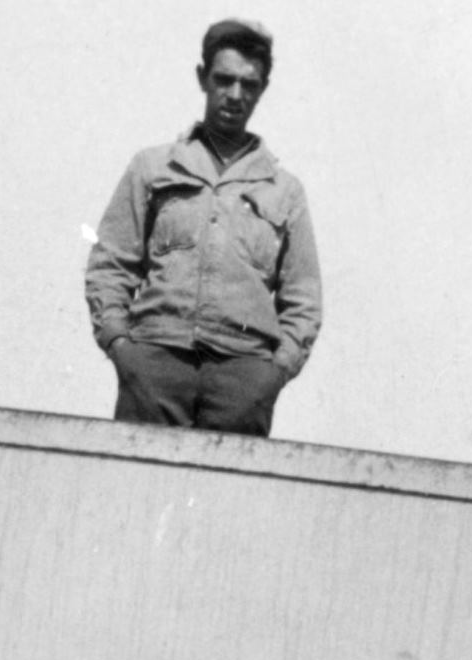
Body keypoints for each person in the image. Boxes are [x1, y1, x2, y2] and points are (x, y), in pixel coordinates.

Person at [84, 20, 322, 439]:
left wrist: (275, 373)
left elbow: (303, 297)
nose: (235, 95)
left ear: (263, 89)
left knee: (229, 501)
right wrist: (121, 346)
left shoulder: (285, 190)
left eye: (249, 84)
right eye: (224, 80)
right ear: (202, 78)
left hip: (243, 377)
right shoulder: (153, 167)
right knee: (138, 492)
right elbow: (110, 264)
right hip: (155, 364)